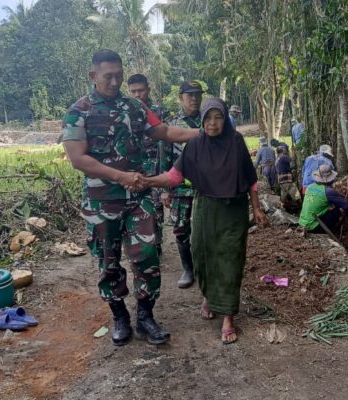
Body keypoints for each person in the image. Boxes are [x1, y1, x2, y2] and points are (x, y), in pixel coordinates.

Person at [61, 50, 199, 346]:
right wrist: (120, 176)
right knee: (108, 261)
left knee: (147, 255)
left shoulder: (135, 107)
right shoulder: (78, 111)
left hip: (139, 197)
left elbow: (163, 130)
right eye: (108, 76)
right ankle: (120, 316)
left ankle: (146, 316)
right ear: (93, 75)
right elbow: (77, 158)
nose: (114, 81)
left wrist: (203, 133)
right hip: (102, 202)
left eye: (118, 75)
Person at [136, 98, 268, 344]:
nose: (212, 123)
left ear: (225, 119)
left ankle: (228, 316)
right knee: (203, 254)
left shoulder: (236, 142)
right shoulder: (195, 144)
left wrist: (257, 209)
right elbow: (174, 177)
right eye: (208, 118)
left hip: (233, 210)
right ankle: (208, 295)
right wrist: (149, 181)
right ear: (202, 120)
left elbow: (251, 179)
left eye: (218, 117)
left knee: (230, 258)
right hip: (205, 207)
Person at [165, 80, 203, 289]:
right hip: (179, 187)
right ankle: (188, 269)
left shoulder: (211, 119)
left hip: (205, 187)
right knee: (181, 229)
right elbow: (166, 156)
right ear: (181, 98)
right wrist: (165, 190)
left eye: (197, 94)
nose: (194, 98)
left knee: (205, 228)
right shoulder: (171, 124)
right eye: (189, 95)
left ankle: (204, 268)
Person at [128, 73, 171, 256]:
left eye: (141, 90)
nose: (138, 95)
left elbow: (167, 143)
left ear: (148, 89)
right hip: (135, 171)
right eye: (133, 91)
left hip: (157, 170)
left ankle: (156, 243)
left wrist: (167, 174)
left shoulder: (160, 112)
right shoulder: (126, 112)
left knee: (156, 210)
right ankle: (141, 244)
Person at [299, 164, 348, 234]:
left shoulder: (309, 187)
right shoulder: (328, 191)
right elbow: (346, 206)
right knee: (337, 210)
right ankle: (334, 230)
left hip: (302, 223)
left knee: (329, 208)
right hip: (313, 227)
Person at [276, 146, 301, 211]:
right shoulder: (284, 157)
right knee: (296, 194)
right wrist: (293, 152)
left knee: (283, 195)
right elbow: (292, 162)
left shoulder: (277, 159)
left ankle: (283, 209)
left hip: (281, 180)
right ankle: (301, 207)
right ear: (282, 151)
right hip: (287, 179)